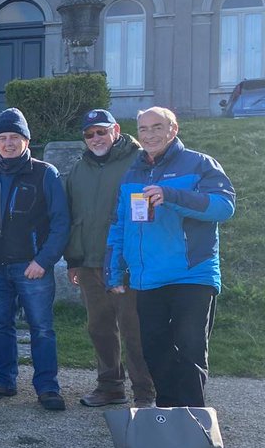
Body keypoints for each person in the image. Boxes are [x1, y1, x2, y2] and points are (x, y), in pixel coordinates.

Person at [106, 106, 235, 408]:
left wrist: (173, 196)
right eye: (143, 129)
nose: (149, 134)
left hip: (192, 275)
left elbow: (224, 207)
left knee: (190, 351)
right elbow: (119, 225)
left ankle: (194, 425)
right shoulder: (132, 173)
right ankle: (168, 421)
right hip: (148, 278)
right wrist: (113, 271)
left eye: (157, 127)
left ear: (173, 129)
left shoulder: (200, 164)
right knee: (155, 350)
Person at [0, 108, 70, 411]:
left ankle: (47, 387)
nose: (8, 142)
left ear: (26, 140)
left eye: (14, 137)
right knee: (1, 325)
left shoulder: (45, 172)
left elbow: (61, 223)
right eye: (2, 137)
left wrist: (43, 261)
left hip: (32, 265)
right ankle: (3, 380)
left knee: (41, 327)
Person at [64, 109, 154, 408]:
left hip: (127, 264)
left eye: (101, 131)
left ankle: (144, 392)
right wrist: (74, 259)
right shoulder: (78, 169)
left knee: (134, 329)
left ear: (115, 130)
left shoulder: (138, 161)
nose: (95, 139)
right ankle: (110, 387)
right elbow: (73, 217)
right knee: (99, 327)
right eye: (89, 134)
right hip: (90, 263)